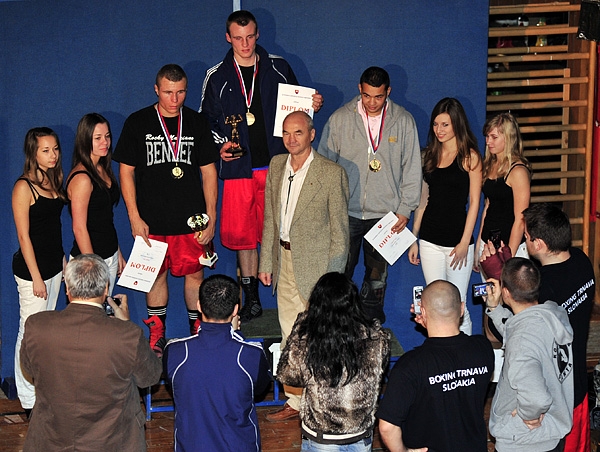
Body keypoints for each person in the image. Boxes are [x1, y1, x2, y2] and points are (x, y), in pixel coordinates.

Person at [201, 10, 323, 323]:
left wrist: (312, 105)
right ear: (228, 38)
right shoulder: (217, 76)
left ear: (257, 35)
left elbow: (298, 113)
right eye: (238, 38)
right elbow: (206, 122)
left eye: (250, 37)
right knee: (244, 238)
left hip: (278, 167)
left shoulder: (279, 67)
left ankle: (294, 292)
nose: (245, 44)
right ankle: (252, 297)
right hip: (239, 170)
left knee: (283, 231)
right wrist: (220, 144)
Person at [113, 64, 219, 355]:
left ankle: (198, 332)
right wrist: (134, 217)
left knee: (195, 276)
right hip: (152, 221)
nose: (175, 99)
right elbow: (126, 172)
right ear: (156, 90)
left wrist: (211, 218)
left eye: (181, 92)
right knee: (155, 277)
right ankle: (157, 333)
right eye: (168, 92)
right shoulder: (138, 122)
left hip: (192, 221)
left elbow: (209, 172)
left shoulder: (196, 122)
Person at [20, 254, 162, 452]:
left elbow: (28, 368)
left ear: (67, 288)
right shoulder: (128, 335)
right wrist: (125, 324)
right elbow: (150, 377)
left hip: (50, 440)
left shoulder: (37, 326)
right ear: (106, 289)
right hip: (114, 443)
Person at [259, 111, 349, 421]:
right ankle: (295, 401)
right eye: (286, 133)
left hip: (318, 268)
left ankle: (322, 400)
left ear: (311, 134)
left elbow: (340, 234)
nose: (291, 139)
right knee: (289, 332)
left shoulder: (331, 173)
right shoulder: (276, 165)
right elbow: (270, 219)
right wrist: (266, 261)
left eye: (298, 132)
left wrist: (331, 279)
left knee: (320, 335)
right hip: (283, 259)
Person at [318, 66, 422, 323]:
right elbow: (323, 166)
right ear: (359, 90)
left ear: (388, 92)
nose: (372, 102)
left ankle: (371, 327)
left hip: (386, 216)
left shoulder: (403, 120)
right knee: (340, 274)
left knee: (377, 279)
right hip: (346, 212)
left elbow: (412, 168)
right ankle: (337, 325)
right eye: (366, 96)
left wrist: (405, 208)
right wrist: (329, 206)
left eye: (378, 96)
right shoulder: (340, 119)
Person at [277, 272, 390, 451]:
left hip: (322, 437)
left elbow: (288, 375)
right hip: (360, 435)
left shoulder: (308, 338)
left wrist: (300, 327)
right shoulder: (377, 338)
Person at [377, 280, 494, 452]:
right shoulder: (483, 348)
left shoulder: (410, 366)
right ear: (462, 308)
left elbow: (387, 427)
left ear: (422, 312)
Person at [164, 274, 271, 452]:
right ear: (235, 310)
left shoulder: (175, 352)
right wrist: (237, 335)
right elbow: (259, 390)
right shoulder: (251, 354)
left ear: (199, 306)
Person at [523, 203, 593, 452]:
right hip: (579, 384)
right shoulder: (582, 260)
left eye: (527, 237)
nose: (525, 241)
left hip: (557, 396)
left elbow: (521, 335)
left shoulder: (543, 288)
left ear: (539, 244)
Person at [408, 98, 481, 335]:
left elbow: (475, 202)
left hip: (457, 243)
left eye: (445, 125)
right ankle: (440, 352)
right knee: (434, 306)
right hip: (429, 240)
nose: (439, 130)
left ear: (457, 124)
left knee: (458, 306)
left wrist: (464, 242)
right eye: (436, 124)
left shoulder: (470, 157)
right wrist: (414, 237)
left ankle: (465, 355)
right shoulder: (429, 155)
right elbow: (423, 199)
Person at [485, 258, 574, 452]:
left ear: (506, 293)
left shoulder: (522, 342)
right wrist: (495, 309)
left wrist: (528, 415)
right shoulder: (551, 315)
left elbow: (537, 399)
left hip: (525, 441)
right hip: (553, 433)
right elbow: (520, 330)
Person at [11, 127, 67, 416]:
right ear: (33, 153)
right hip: (32, 272)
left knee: (44, 333)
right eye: (46, 150)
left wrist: (62, 261)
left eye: (55, 149)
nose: (53, 155)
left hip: (53, 267)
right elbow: (24, 237)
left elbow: (53, 229)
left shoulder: (52, 179)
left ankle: (41, 392)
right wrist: (35, 277)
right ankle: (28, 399)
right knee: (29, 332)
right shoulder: (24, 187)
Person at [66, 113, 125, 294]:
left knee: (104, 309)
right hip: (89, 262)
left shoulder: (102, 168)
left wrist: (117, 252)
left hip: (109, 255)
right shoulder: (82, 178)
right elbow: (79, 228)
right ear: (85, 140)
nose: (105, 142)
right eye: (97, 138)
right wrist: (93, 266)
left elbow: (104, 218)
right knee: (90, 311)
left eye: (107, 136)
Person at [476, 112, 531, 272]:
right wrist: (479, 244)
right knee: (489, 289)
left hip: (510, 247)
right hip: (488, 245)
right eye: (487, 137)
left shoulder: (518, 171)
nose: (488, 142)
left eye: (494, 137)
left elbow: (521, 219)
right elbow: (488, 206)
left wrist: (508, 258)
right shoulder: (490, 164)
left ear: (508, 138)